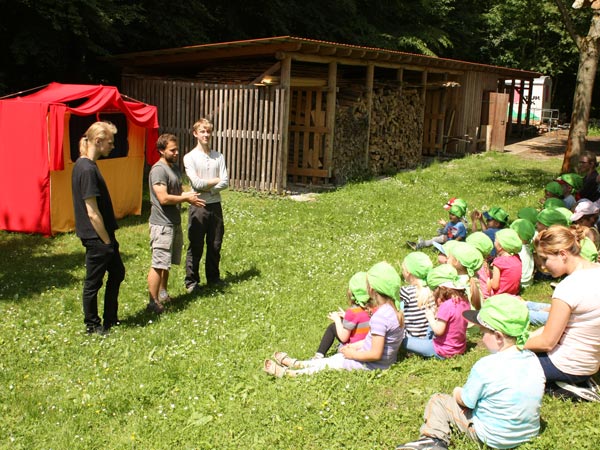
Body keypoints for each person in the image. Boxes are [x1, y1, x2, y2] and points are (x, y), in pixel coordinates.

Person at [396, 294, 545, 450]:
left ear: (498, 337)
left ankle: (433, 440)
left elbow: (466, 401)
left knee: (438, 401)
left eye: (483, 332)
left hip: (491, 437)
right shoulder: (533, 359)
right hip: (529, 433)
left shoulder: (486, 366)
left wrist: (457, 392)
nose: (482, 337)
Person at [263, 262, 404, 377]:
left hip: (372, 365)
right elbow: (374, 340)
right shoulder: (394, 310)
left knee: (334, 363)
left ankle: (291, 373)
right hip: (382, 361)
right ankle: (298, 363)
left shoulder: (380, 317)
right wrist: (354, 346)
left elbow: (375, 353)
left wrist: (353, 354)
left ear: (372, 290)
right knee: (335, 359)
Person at [525, 225, 600, 400]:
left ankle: (564, 387)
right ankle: (580, 381)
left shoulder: (568, 287)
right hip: (591, 362)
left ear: (563, 254)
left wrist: (515, 346)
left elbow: (547, 342)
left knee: (506, 363)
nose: (543, 267)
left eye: (545, 259)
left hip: (566, 365)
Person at [71, 121, 125, 335]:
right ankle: (92, 325)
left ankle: (111, 318)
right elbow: (92, 211)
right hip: (96, 237)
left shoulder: (88, 165)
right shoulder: (86, 169)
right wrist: (106, 241)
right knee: (93, 282)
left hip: (103, 235)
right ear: (98, 141)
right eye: (110, 143)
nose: (113, 146)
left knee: (117, 272)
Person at [147, 134, 206, 314]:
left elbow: (178, 192)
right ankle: (152, 302)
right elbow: (163, 198)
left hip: (173, 222)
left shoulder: (173, 168)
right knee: (158, 263)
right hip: (161, 224)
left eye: (177, 149)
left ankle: (163, 294)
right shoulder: (158, 170)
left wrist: (189, 196)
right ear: (161, 150)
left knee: (166, 262)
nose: (176, 153)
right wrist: (186, 198)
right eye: (172, 150)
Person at [184, 118, 229, 292]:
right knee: (196, 245)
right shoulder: (190, 157)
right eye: (202, 131)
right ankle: (192, 281)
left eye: (208, 131)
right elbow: (196, 184)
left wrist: (210, 190)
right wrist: (215, 181)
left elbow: (225, 182)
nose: (206, 135)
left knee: (215, 244)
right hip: (198, 205)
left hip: (215, 205)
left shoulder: (218, 156)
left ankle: (213, 278)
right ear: (195, 133)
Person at [402, 264, 470, 359]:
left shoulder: (446, 305)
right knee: (430, 329)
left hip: (442, 350)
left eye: (434, 290)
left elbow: (438, 331)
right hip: (459, 348)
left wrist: (430, 317)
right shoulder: (464, 302)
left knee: (404, 341)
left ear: (441, 288)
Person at [313, 272, 371, 359]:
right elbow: (362, 320)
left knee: (332, 327)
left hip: (352, 349)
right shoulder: (373, 308)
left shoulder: (353, 312)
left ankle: (318, 355)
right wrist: (346, 316)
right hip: (369, 345)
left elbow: (344, 337)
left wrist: (337, 320)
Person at [400, 252, 435, 340]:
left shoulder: (406, 291)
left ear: (407, 272)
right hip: (431, 336)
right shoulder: (433, 289)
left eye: (403, 269)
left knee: (399, 306)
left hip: (411, 338)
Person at [487, 228, 523, 296]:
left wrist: (488, 281)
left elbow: (495, 286)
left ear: (500, 246)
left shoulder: (499, 262)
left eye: (495, 240)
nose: (494, 242)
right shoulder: (517, 257)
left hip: (499, 294)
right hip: (513, 293)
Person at [510, 218, 536, 290]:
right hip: (529, 282)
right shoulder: (529, 247)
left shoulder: (517, 250)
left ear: (517, 235)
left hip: (519, 282)